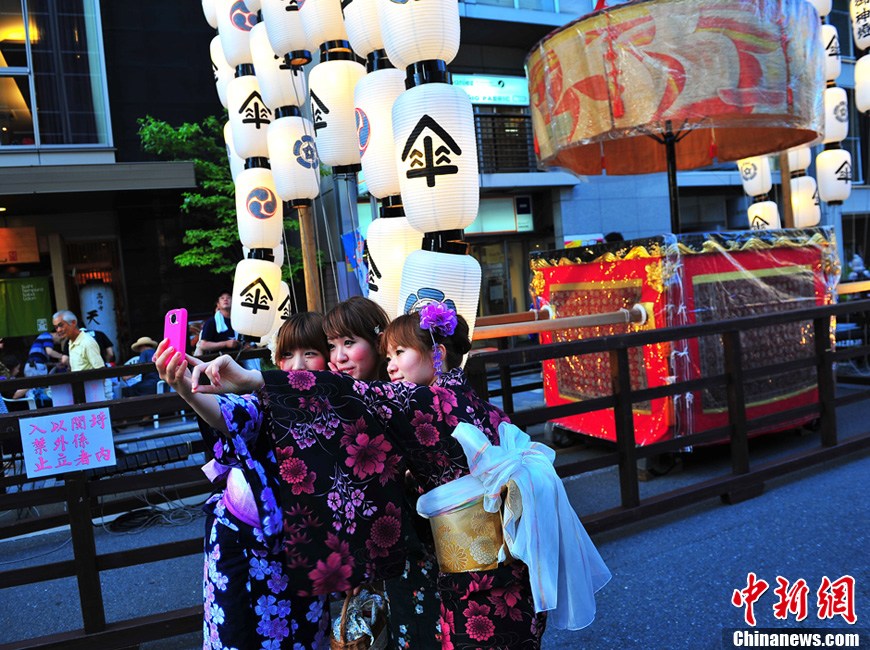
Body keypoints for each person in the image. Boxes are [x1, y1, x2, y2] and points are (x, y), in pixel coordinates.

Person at [198, 313, 333, 649]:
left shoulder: (337, 406)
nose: (297, 365)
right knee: (235, 634)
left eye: (310, 353)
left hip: (302, 550)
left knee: (304, 635)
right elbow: (229, 414)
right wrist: (187, 389)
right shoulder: (261, 401)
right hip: (239, 542)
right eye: (287, 355)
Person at [53, 310, 110, 400]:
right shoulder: (70, 342)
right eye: (56, 327)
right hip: (83, 394)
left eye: (61, 325)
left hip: (94, 396)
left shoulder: (87, 342)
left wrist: (98, 398)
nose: (58, 330)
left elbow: (101, 371)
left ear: (73, 323)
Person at [196, 290, 238, 355]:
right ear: (218, 305)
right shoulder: (212, 322)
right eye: (222, 298)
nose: (225, 299)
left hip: (238, 360)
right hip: (216, 361)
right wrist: (226, 344)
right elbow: (203, 345)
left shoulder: (238, 321)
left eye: (228, 297)